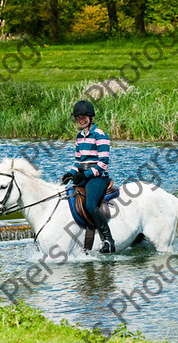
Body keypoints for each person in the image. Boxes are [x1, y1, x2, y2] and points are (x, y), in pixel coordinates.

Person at [61, 100, 116, 253]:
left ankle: (108, 240)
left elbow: (103, 163)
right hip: (83, 175)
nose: (81, 119)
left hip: (98, 177)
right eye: (78, 117)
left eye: (84, 116)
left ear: (90, 117)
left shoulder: (100, 135)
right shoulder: (79, 137)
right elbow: (78, 161)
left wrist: (84, 175)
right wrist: (70, 174)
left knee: (91, 205)